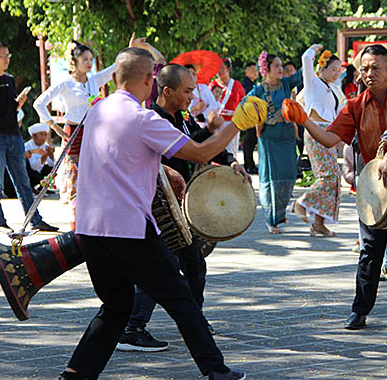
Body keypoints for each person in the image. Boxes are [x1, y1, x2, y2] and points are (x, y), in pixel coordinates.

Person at [58, 47, 264, 380]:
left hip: (91, 227)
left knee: (116, 308)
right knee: (181, 298)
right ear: (147, 80)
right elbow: (200, 153)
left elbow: (116, 157)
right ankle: (216, 370)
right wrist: (236, 123)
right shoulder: (143, 119)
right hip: (128, 227)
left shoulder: (97, 111)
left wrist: (164, 171)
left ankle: (75, 375)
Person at [284, 44, 387, 331]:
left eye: (375, 68)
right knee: (370, 251)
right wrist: (303, 119)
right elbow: (329, 139)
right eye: (365, 68)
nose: (369, 73)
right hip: (376, 187)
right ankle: (359, 312)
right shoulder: (355, 104)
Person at [117, 63, 250, 351]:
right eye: (187, 90)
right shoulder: (152, 119)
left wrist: (231, 161)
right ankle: (132, 327)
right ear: (168, 91)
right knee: (162, 267)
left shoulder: (184, 118)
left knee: (192, 265)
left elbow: (204, 140)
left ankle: (192, 320)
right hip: (157, 207)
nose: (192, 95)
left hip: (181, 207)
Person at [33, 36, 161, 229]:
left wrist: (129, 49)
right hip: (74, 133)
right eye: (85, 60)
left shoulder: (94, 80)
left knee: (94, 179)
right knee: (76, 182)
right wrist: (55, 127)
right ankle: (76, 226)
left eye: (91, 60)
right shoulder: (66, 84)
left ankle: (93, 224)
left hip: (95, 133)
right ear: (74, 62)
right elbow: (39, 103)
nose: (89, 63)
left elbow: (115, 68)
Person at [0, 40, 58, 233]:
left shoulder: (9, 80)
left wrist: (18, 103)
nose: (7, 60)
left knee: (23, 182)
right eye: (3, 56)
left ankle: (35, 220)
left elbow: (10, 111)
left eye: (8, 56)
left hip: (14, 137)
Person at [247, 52, 302, 234]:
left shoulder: (286, 84)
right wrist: (257, 114)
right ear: (266, 69)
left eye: (281, 65)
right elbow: (244, 104)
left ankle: (280, 214)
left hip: (286, 135)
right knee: (270, 179)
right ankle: (271, 220)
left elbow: (303, 74)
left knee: (290, 175)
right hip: (269, 137)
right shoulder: (258, 90)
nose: (281, 69)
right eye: (276, 66)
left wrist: (310, 55)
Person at [292, 44, 342, 237]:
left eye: (339, 71)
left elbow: (337, 115)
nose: (336, 73)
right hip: (315, 132)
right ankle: (301, 202)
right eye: (333, 69)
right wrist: (314, 49)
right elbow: (306, 58)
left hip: (329, 134)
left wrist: (339, 136)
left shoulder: (335, 89)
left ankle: (319, 223)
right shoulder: (312, 82)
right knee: (328, 175)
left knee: (334, 177)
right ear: (322, 67)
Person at [209, 58, 245, 155]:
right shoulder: (212, 84)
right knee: (216, 150)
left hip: (232, 123)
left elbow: (243, 102)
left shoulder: (237, 85)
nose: (219, 71)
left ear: (229, 69)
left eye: (222, 68)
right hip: (217, 122)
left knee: (231, 150)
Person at [24, 123, 55, 190]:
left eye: (45, 135)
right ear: (34, 136)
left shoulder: (46, 146)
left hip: (40, 174)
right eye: (41, 135)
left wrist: (51, 155)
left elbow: (52, 164)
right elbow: (33, 167)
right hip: (30, 174)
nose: (44, 138)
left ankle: (44, 188)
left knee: (53, 170)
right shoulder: (27, 146)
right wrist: (44, 156)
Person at [241, 62, 259, 173]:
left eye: (256, 70)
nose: (255, 72)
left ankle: (250, 164)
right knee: (249, 140)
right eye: (252, 70)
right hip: (249, 115)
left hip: (253, 115)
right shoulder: (246, 84)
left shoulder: (253, 84)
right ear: (246, 71)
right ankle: (249, 165)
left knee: (251, 140)